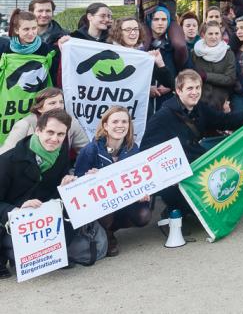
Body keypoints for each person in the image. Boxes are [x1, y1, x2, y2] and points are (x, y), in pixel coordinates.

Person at [141, 70, 243, 215]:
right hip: (173, 176)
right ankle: (171, 214)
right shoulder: (163, 116)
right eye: (189, 88)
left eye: (197, 88)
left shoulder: (200, 108)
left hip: (196, 165)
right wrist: (168, 176)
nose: (195, 92)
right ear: (178, 91)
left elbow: (226, 121)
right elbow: (147, 151)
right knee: (192, 204)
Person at [0, 109, 76, 279]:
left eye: (60, 134)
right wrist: (16, 210)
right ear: (38, 130)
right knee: (16, 251)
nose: (55, 139)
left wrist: (67, 183)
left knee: (72, 208)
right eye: (50, 132)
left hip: (40, 217)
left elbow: (54, 186)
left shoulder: (61, 151)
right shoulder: (6, 161)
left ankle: (55, 254)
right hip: (11, 218)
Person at [73, 106, 150, 256]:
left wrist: (145, 193)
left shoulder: (133, 148)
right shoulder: (91, 150)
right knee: (106, 215)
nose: (120, 125)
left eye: (124, 121)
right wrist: (90, 179)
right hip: (100, 206)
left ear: (129, 125)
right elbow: (77, 183)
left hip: (126, 200)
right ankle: (105, 234)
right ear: (105, 126)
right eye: (115, 121)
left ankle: (111, 230)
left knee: (144, 215)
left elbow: (141, 179)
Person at [108, 17, 175, 116]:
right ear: (118, 32)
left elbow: (169, 83)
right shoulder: (109, 56)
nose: (133, 32)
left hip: (142, 112)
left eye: (136, 29)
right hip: (117, 113)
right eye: (128, 29)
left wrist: (160, 63)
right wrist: (146, 89)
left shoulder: (144, 56)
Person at [0, 87, 88, 155]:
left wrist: (74, 173)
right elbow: (5, 154)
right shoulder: (25, 124)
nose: (59, 106)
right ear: (40, 108)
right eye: (52, 103)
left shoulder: (71, 122)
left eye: (61, 102)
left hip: (60, 174)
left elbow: (86, 151)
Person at [0, 9, 67, 86]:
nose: (31, 33)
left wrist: (63, 45)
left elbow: (55, 73)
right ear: (16, 30)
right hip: (10, 96)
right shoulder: (5, 49)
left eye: (34, 28)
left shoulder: (45, 49)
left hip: (39, 96)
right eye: (26, 29)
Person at [192, 21, 236, 111]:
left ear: (221, 35)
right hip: (199, 101)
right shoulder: (195, 53)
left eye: (217, 33)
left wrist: (206, 76)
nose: (214, 37)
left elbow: (230, 79)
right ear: (204, 35)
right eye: (210, 34)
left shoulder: (228, 53)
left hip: (221, 102)